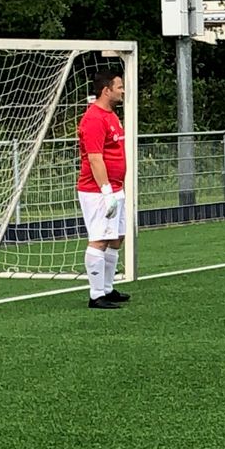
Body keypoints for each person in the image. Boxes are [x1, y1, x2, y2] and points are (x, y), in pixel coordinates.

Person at [77, 69, 131, 309]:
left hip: (115, 188)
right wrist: (106, 190)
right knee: (99, 239)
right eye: (119, 87)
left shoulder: (111, 116)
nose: (122, 91)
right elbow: (95, 158)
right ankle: (96, 294)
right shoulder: (94, 119)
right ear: (106, 89)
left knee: (116, 238)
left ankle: (107, 289)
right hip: (98, 191)